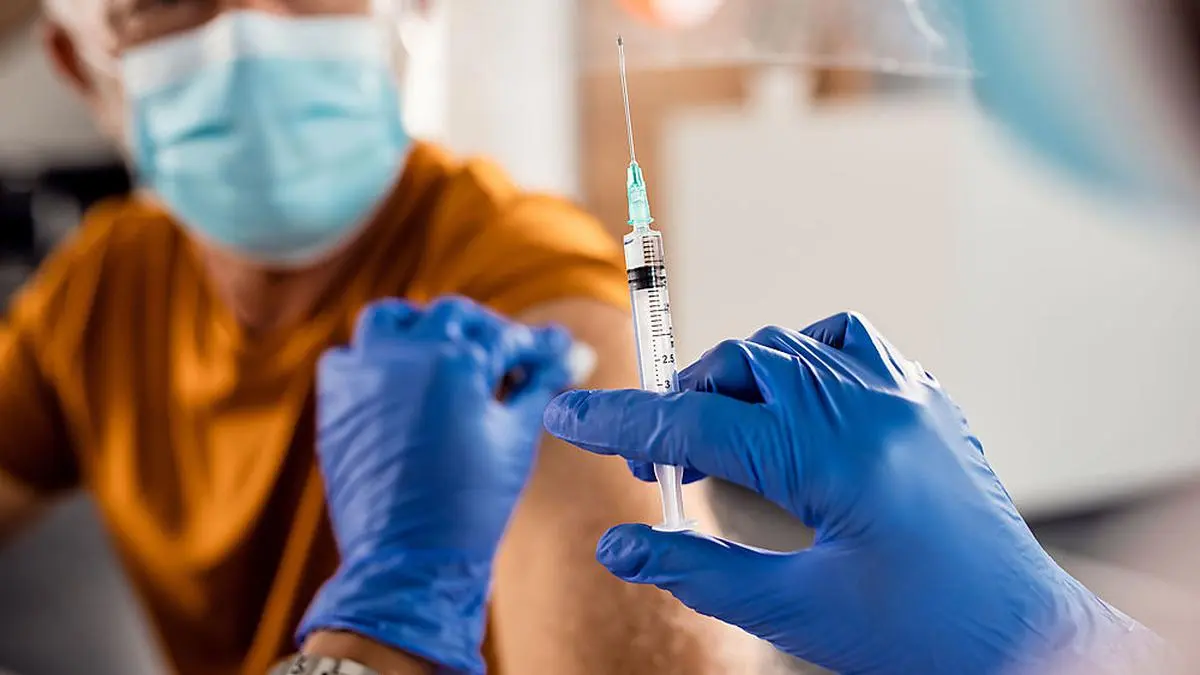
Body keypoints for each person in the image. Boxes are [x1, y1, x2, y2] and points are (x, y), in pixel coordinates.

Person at [0, 2, 745, 674]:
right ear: (79, 65)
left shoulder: (518, 272)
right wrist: (393, 613)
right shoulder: (101, 285)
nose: (249, 32)